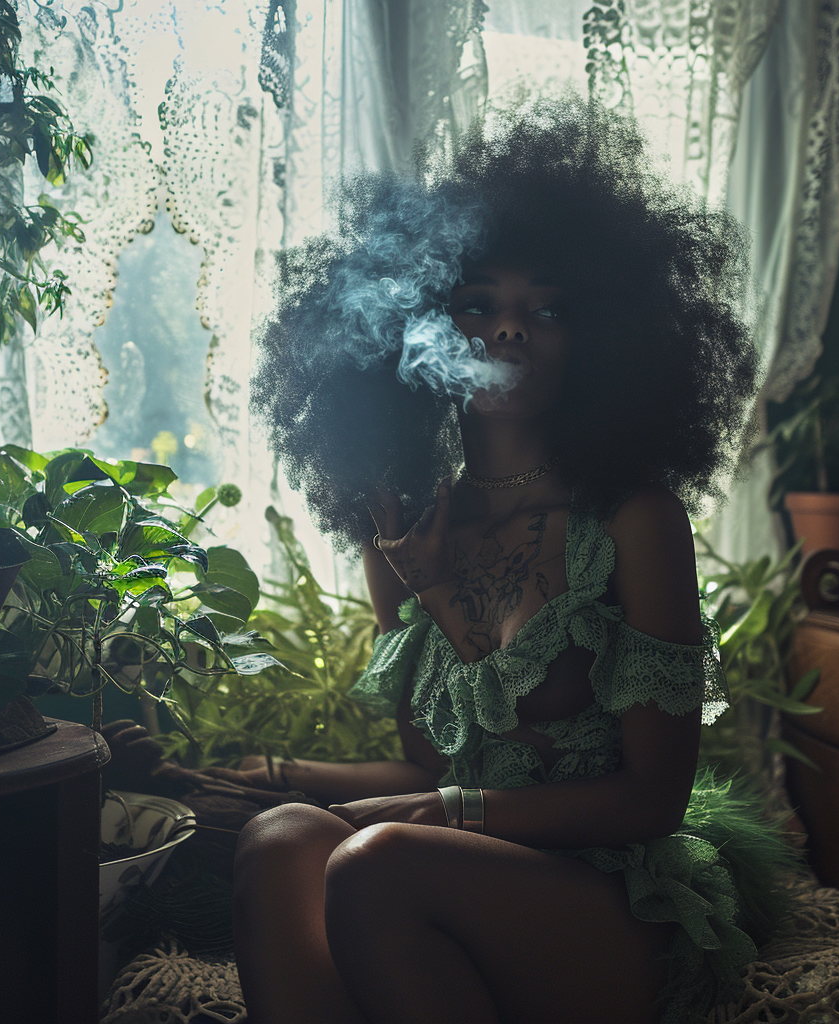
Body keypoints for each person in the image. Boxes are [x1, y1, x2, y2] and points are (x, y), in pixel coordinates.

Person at [233, 95, 791, 1024]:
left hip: (608, 897)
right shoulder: (407, 532)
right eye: (477, 304)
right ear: (425, 330)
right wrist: (435, 592)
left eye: (548, 309)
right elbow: (437, 759)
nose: (508, 331)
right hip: (465, 872)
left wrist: (451, 817)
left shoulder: (632, 519)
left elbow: (652, 797)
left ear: (603, 340)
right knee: (277, 840)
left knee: (378, 862)